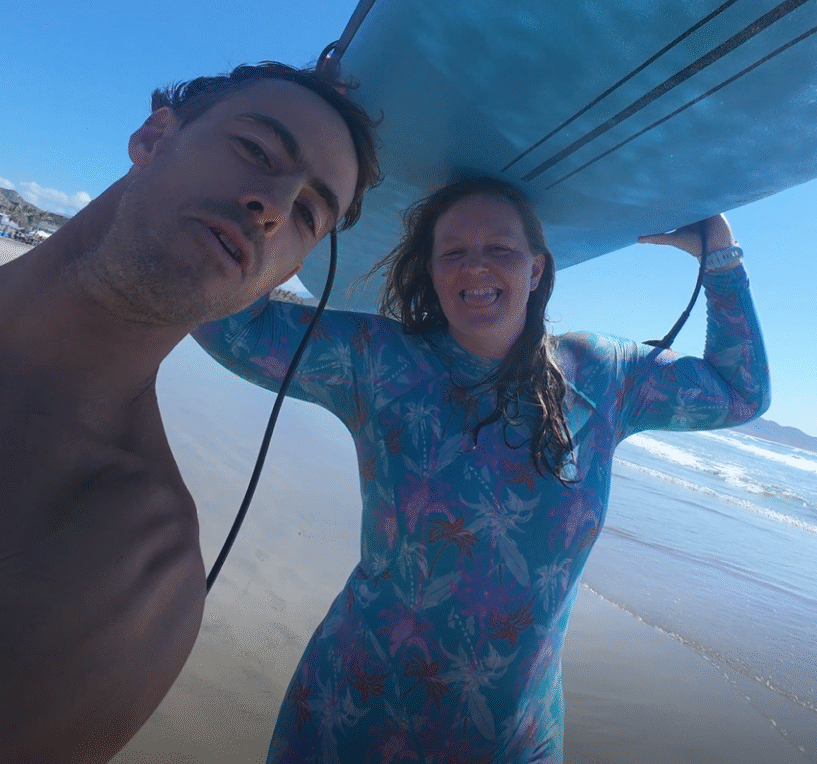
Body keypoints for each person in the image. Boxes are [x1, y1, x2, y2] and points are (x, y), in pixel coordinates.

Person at [193, 176, 770, 764]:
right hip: (353, 711)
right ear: (432, 269)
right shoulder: (379, 360)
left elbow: (740, 391)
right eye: (453, 253)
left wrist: (720, 254)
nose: (475, 268)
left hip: (509, 737)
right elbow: (228, 325)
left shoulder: (604, 373)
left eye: (499, 249)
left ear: (537, 269)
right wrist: (295, 205)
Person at [0, 61, 381, 764]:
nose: (271, 205)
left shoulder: (132, 564)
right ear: (152, 137)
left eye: (306, 214)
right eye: (257, 150)